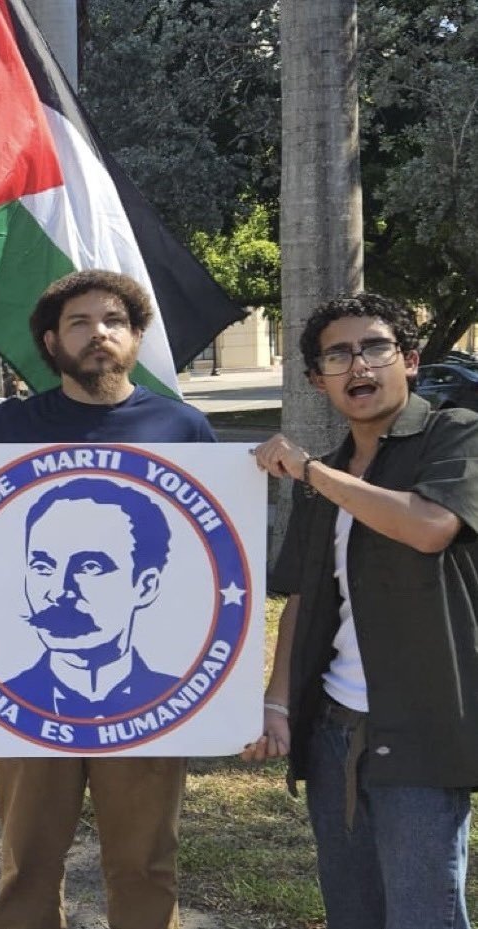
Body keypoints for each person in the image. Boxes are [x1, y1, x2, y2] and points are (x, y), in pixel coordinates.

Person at [0, 269, 215, 929]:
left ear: (135, 337)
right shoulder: (8, 425)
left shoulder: (182, 427)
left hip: (148, 704)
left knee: (144, 866)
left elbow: (213, 553)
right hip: (22, 699)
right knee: (26, 866)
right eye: (78, 324)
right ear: (50, 342)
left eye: (112, 321)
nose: (97, 334)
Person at [244, 292, 476, 929]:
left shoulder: (455, 434)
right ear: (319, 381)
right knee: (353, 913)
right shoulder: (334, 470)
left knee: (424, 914)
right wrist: (278, 702)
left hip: (421, 733)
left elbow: (430, 527)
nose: (358, 367)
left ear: (410, 359)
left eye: (374, 348)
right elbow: (302, 599)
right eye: (337, 356)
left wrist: (313, 473)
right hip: (333, 732)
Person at [6, 477, 180, 717]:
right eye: (43, 567)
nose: (58, 592)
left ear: (145, 586)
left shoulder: (190, 706)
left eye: (90, 567)